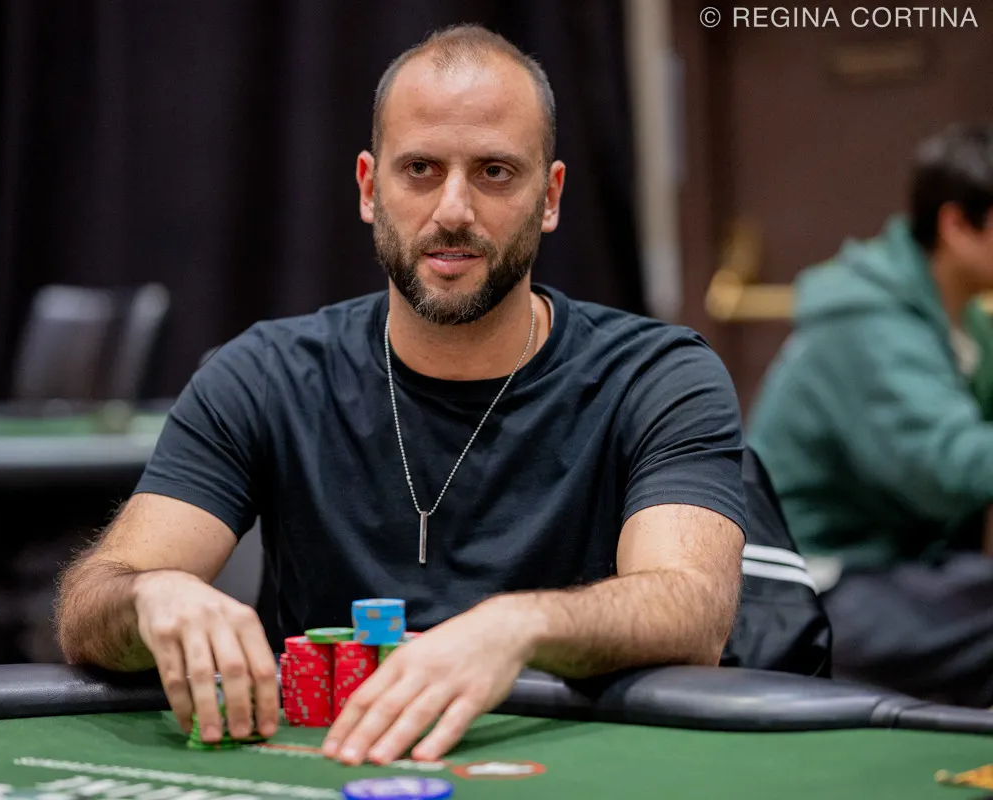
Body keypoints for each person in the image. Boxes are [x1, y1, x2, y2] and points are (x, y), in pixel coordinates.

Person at [55, 23, 747, 766]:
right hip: (332, 766)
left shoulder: (658, 376)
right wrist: (150, 595)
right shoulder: (262, 374)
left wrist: (517, 627)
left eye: (494, 172)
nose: (453, 209)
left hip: (579, 763)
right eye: (420, 168)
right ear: (368, 187)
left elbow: (692, 608)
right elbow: (91, 604)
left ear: (549, 198)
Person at [747, 122, 993, 707]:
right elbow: (947, 467)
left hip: (892, 566)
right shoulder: (870, 323)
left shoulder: (959, 317)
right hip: (811, 587)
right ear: (957, 226)